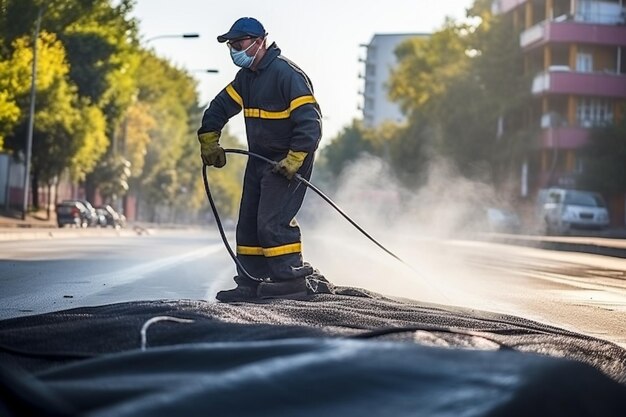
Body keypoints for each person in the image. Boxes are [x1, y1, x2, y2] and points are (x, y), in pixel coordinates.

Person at [198, 17, 324, 302]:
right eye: (231, 45)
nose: (234, 49)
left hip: (289, 161)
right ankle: (251, 281)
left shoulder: (287, 75)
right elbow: (219, 107)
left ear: (260, 42)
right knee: (248, 222)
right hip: (258, 160)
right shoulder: (247, 79)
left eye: (238, 43)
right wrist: (208, 137)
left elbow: (310, 122)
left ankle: (290, 279)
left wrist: (294, 159)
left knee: (271, 221)